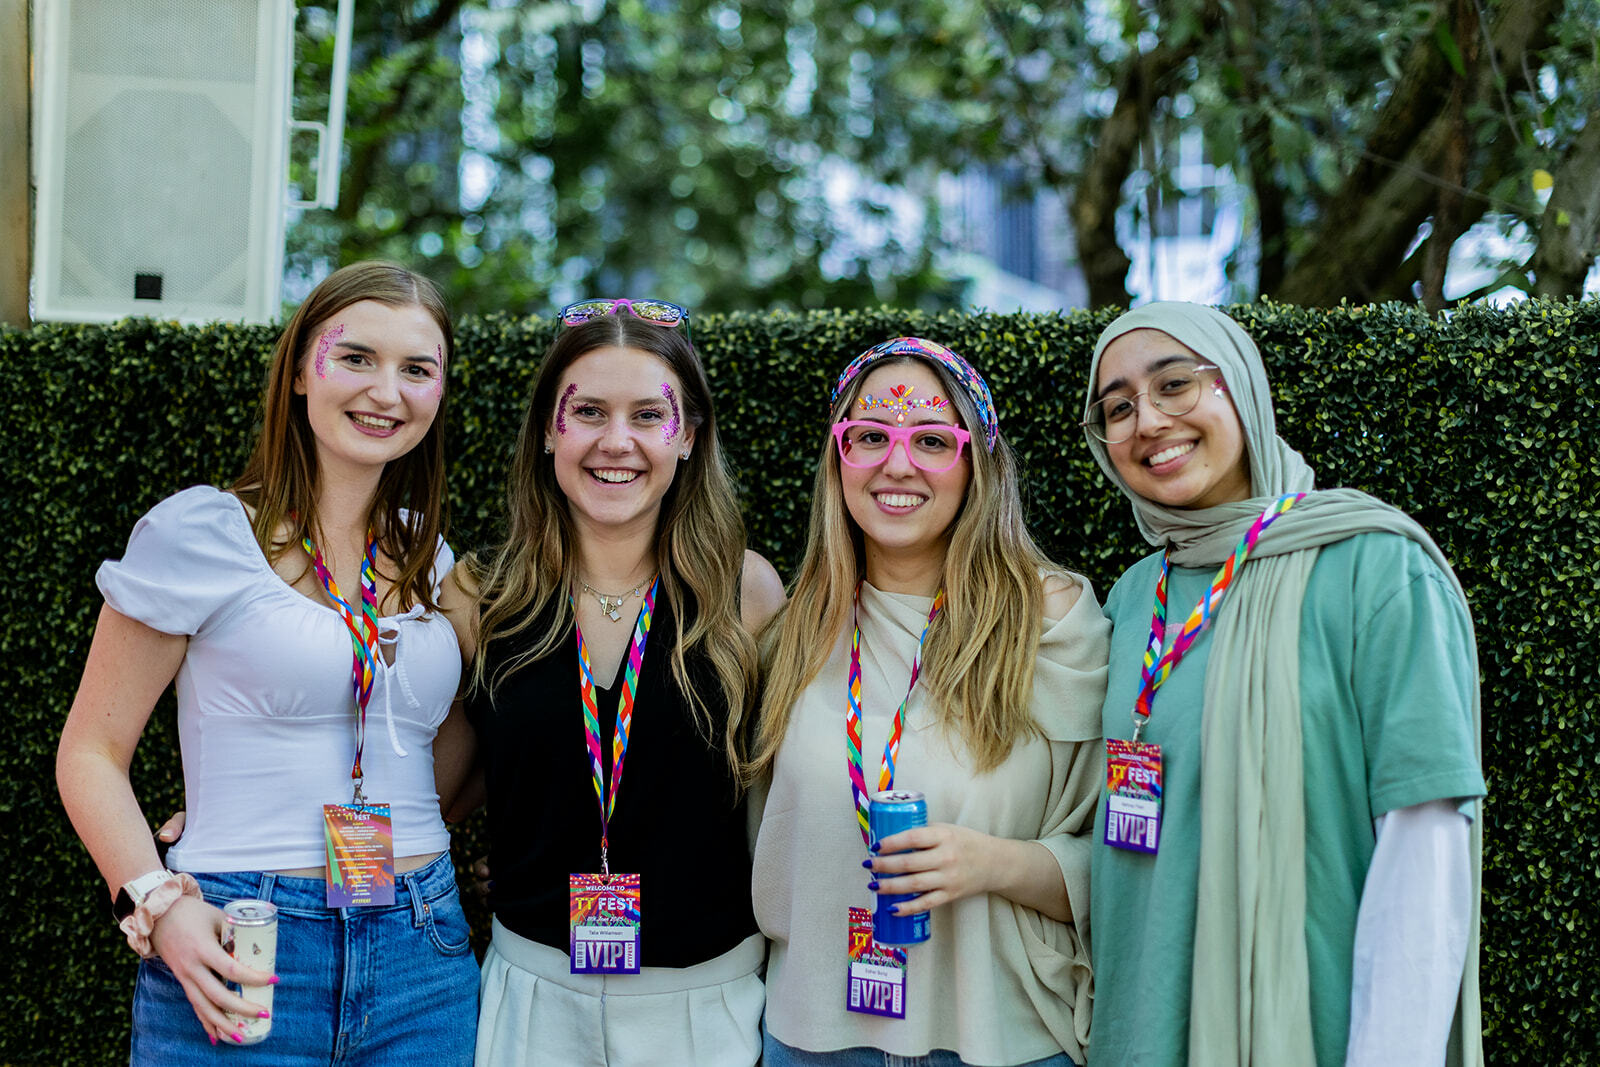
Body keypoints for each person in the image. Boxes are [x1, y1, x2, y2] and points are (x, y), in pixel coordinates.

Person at [56, 262, 479, 1064]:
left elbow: (451, 745)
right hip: (238, 940)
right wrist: (158, 900)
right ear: (297, 373)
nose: (386, 390)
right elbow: (90, 752)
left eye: (417, 369)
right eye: (356, 357)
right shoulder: (202, 532)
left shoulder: (434, 558)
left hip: (423, 948)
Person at [1080, 302, 1485, 1066]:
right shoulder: (1133, 598)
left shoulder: (1375, 566)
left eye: (1175, 384)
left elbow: (1426, 844)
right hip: (1138, 1035)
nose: (1149, 421)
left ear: (1241, 388)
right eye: (1118, 408)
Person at [443, 299, 786, 1067]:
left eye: (648, 415)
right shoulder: (478, 596)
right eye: (588, 411)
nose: (616, 441)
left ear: (689, 436)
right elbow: (426, 779)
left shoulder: (746, 594)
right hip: (529, 997)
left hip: (707, 1006)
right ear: (547, 430)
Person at [749, 337, 1109, 1067]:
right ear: (838, 458)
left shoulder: (1052, 622)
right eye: (871, 436)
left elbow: (1120, 860)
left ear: (977, 461)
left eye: (933, 440)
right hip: (814, 1038)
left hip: (1002, 1035)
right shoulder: (791, 634)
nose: (898, 463)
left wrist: (991, 862)